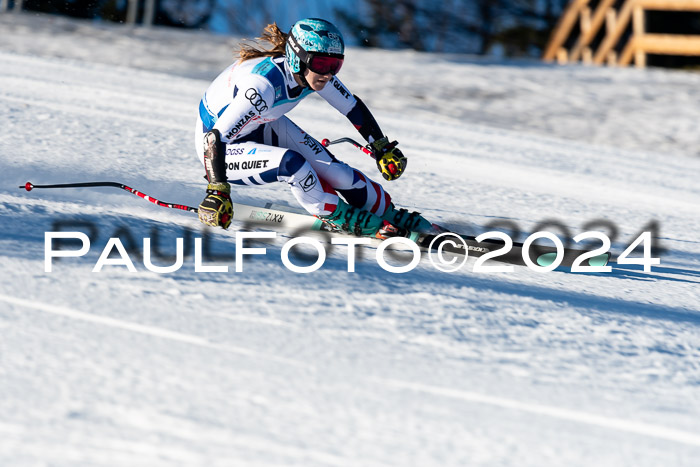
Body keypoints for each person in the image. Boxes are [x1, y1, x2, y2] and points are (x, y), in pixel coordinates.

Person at [195, 18, 437, 238]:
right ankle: (336, 215)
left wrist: (381, 147)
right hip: (219, 150)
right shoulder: (262, 87)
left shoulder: (314, 74)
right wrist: (217, 190)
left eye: (336, 64)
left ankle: (388, 213)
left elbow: (352, 107)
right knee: (293, 164)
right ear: (296, 58)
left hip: (262, 125)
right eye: (322, 63)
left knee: (336, 172)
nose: (329, 74)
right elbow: (215, 139)